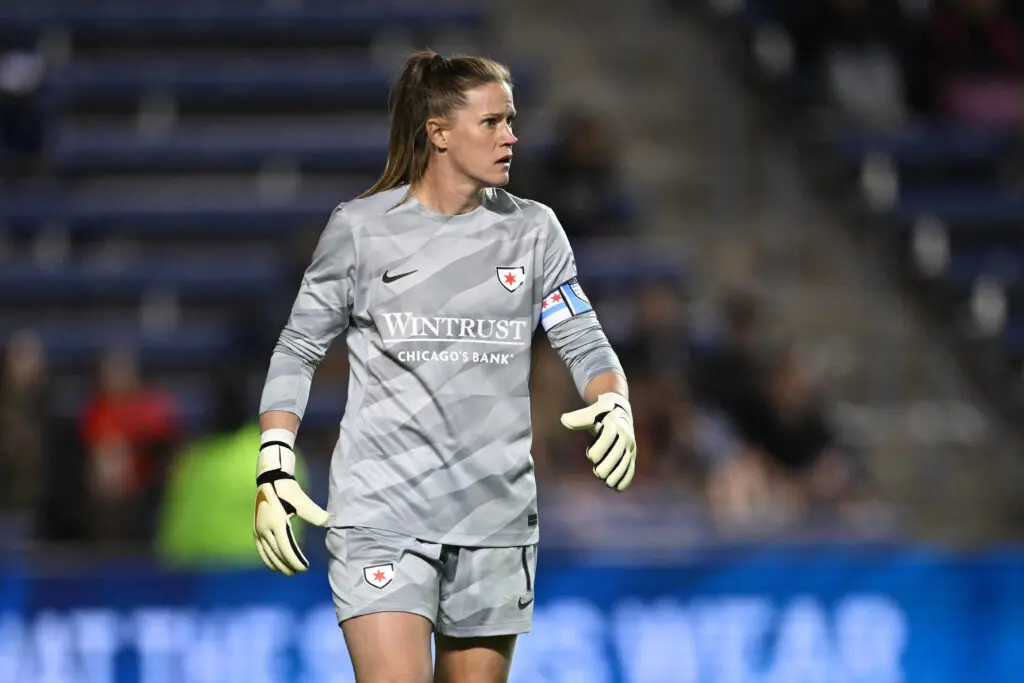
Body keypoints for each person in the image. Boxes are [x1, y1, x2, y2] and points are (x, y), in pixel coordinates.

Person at [251, 50, 638, 683]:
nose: (511, 135)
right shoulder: (360, 230)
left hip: (495, 517)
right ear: (439, 131)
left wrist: (613, 397)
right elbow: (298, 347)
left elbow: (583, 336)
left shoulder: (535, 232)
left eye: (511, 120)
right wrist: (274, 459)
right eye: (492, 122)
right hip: (383, 512)